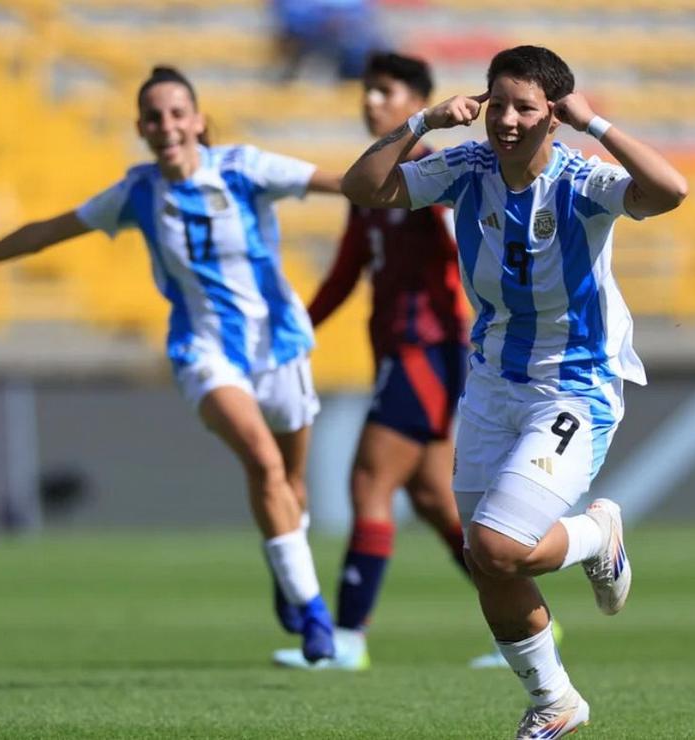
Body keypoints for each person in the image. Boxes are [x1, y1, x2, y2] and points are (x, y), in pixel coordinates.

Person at [0, 66, 343, 663]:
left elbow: (346, 184)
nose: (167, 126)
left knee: (290, 483)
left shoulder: (244, 168)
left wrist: (424, 175)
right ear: (140, 127)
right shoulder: (137, 193)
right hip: (204, 351)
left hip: (281, 345)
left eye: (176, 113)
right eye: (155, 117)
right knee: (264, 465)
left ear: (198, 121)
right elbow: (47, 232)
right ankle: (315, 616)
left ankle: (287, 567)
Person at [340, 45, 686, 737]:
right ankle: (554, 701)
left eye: (524, 107)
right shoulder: (466, 169)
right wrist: (423, 121)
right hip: (493, 381)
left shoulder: (580, 178)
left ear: (552, 116)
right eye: (497, 103)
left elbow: (671, 190)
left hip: (574, 385)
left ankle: (595, 535)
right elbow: (366, 188)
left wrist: (599, 125)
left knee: (498, 546)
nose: (505, 119)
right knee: (485, 557)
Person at [271, 52, 470, 671]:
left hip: (428, 350)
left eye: (384, 92)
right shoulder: (370, 185)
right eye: (366, 92)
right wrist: (293, 329)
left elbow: (466, 254)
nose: (370, 103)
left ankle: (348, 636)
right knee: (437, 500)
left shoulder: (435, 176)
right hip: (399, 350)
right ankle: (522, 616)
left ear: (417, 104)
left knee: (368, 481)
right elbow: (347, 271)